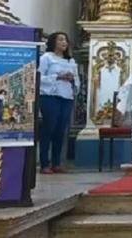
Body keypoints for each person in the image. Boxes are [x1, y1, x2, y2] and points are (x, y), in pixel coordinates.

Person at [38, 32, 79, 174]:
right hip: (50, 96)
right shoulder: (46, 58)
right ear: (53, 42)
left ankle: (57, 162)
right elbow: (39, 77)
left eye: (66, 40)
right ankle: (44, 163)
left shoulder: (70, 61)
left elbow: (77, 80)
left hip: (66, 97)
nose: (64, 42)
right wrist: (58, 76)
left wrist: (72, 81)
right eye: (61, 39)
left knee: (60, 130)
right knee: (49, 128)